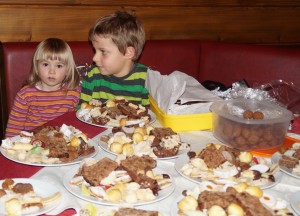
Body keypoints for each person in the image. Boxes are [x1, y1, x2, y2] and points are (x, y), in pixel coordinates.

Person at [5, 38, 81, 138]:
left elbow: (73, 123)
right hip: (32, 144)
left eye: (58, 66)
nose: (52, 71)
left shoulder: (73, 93)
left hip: (61, 142)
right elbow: (13, 128)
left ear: (67, 70)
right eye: (45, 64)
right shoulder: (26, 95)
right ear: (36, 66)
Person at [79, 10, 150, 108]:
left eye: (103, 51)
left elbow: (150, 115)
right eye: (95, 51)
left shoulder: (147, 78)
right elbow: (82, 110)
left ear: (127, 52)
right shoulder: (93, 76)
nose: (94, 58)